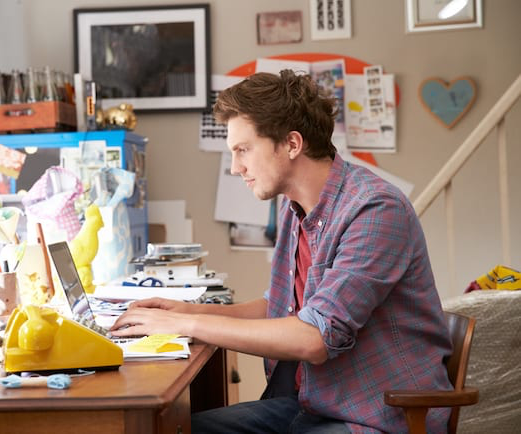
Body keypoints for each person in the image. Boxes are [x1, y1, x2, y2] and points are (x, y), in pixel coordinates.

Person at [111, 69, 453, 433]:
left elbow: (314, 337)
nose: (235, 167)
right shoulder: (296, 206)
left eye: (243, 150)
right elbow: (282, 308)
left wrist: (184, 324)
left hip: (376, 416)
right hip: (315, 404)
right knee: (171, 428)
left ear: (291, 144)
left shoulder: (375, 210)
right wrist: (188, 310)